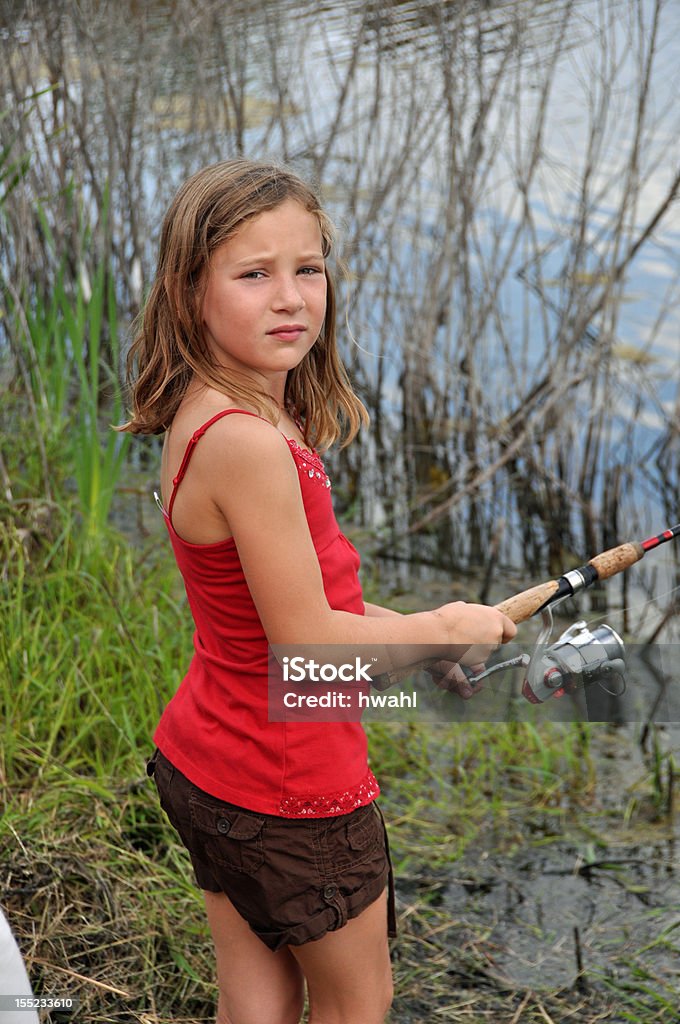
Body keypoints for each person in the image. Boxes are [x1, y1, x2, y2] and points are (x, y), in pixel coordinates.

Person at [121, 159, 516, 1024]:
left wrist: (424, 636)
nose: (291, 296)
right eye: (254, 274)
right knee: (355, 1007)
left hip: (207, 763)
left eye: (308, 268)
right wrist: (448, 620)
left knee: (256, 1003)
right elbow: (307, 645)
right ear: (190, 293)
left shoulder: (213, 411)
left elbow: (299, 612)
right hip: (291, 788)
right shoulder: (251, 443)